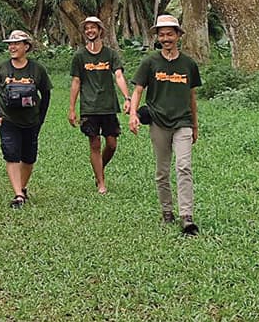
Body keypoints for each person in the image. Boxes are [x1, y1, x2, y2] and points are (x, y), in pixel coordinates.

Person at [129, 14, 201, 236]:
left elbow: (192, 97)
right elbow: (138, 90)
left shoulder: (188, 64)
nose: (166, 38)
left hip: (183, 121)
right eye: (162, 35)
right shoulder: (150, 62)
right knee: (162, 171)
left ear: (178, 35)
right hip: (158, 122)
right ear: (157, 38)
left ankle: (186, 216)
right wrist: (133, 114)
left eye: (170, 34)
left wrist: (195, 125)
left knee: (184, 166)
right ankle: (167, 211)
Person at [0, 30, 52, 208]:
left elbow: (46, 94)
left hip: (31, 120)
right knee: (11, 154)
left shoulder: (37, 69)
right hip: (8, 120)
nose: (12, 47)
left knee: (29, 158)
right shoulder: (1, 69)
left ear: (26, 46)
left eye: (16, 44)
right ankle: (18, 195)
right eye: (10, 44)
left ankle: (22, 188)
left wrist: (41, 118)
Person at [68, 16, 131, 194]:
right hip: (89, 106)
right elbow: (76, 82)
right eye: (87, 28)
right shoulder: (80, 56)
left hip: (108, 105)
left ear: (100, 30)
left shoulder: (110, 54)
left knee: (111, 144)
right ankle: (101, 183)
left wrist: (127, 97)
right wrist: (72, 108)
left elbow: (118, 75)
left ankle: (99, 169)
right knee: (94, 144)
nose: (90, 31)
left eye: (93, 27)